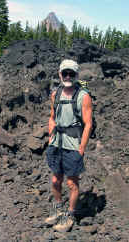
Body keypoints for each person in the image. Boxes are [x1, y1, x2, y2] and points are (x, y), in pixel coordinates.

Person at [45, 59, 93, 232]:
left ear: (76, 75)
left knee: (72, 183)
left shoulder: (84, 96)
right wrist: (51, 137)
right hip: (57, 142)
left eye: (71, 73)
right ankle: (58, 208)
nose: (67, 76)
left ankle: (70, 214)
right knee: (56, 180)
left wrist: (81, 148)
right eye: (64, 73)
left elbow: (88, 124)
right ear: (59, 74)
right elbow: (52, 117)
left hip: (73, 143)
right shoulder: (55, 94)